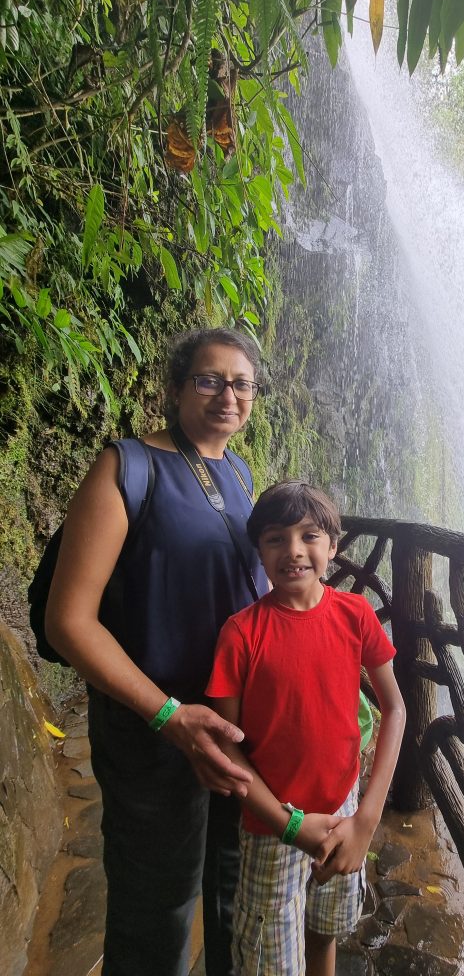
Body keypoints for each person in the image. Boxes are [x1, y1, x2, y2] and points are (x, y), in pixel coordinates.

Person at [45, 327, 270, 976]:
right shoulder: (127, 467)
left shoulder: (238, 471)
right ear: (175, 390)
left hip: (229, 724)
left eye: (242, 383)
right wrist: (170, 717)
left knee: (232, 889)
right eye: (209, 379)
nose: (228, 394)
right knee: (157, 910)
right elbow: (69, 621)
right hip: (153, 730)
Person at [206, 480, 406, 976]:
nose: (293, 551)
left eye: (309, 535)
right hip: (272, 826)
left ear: (333, 546)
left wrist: (365, 820)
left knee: (323, 933)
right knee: (269, 963)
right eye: (275, 538)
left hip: (343, 812)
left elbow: (395, 709)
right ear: (259, 550)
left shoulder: (355, 613)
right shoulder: (241, 633)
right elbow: (228, 747)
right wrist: (288, 824)